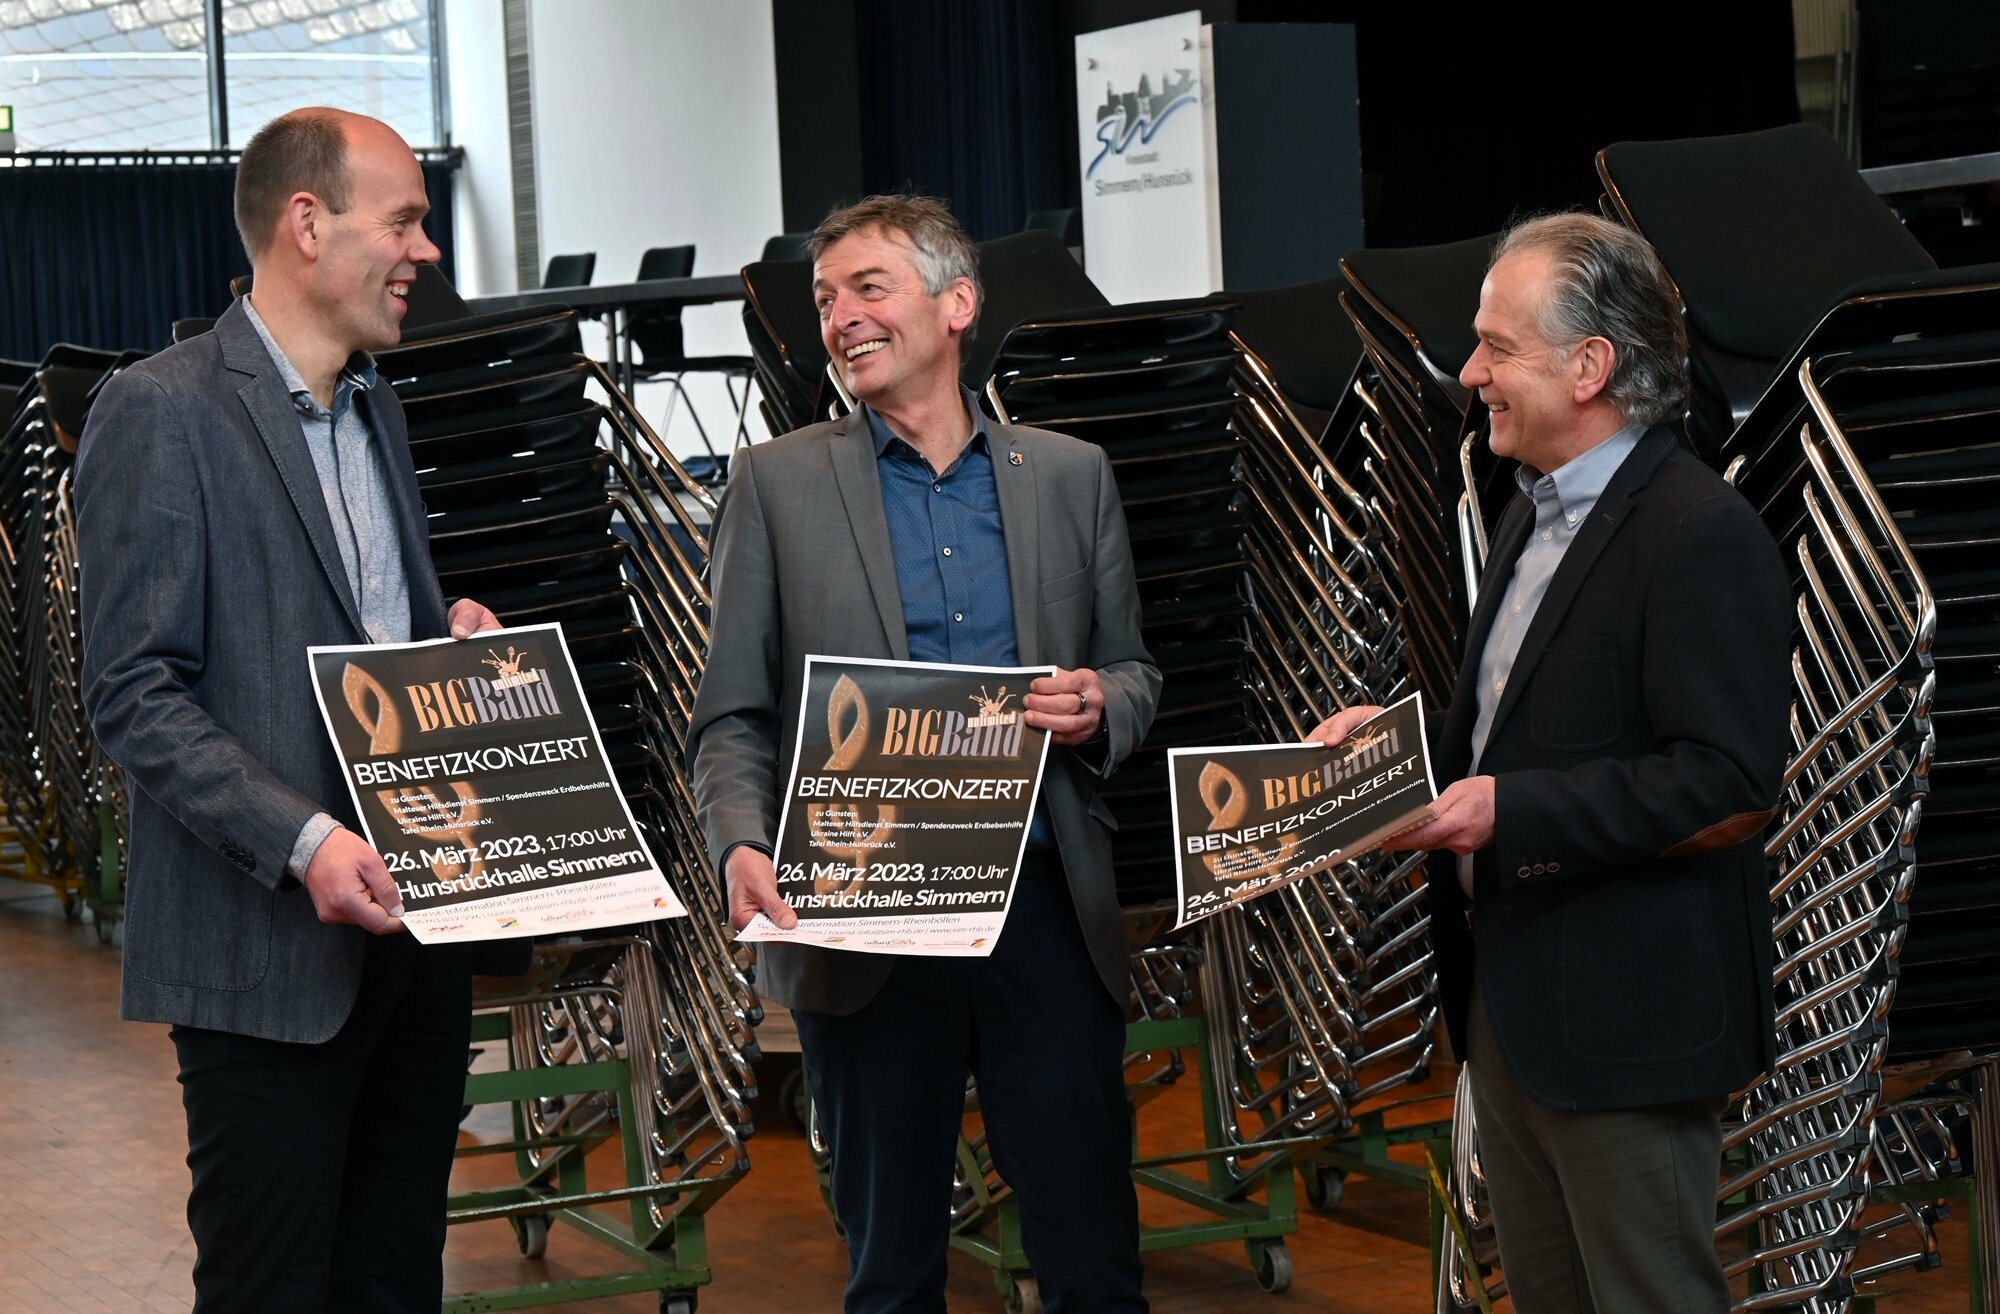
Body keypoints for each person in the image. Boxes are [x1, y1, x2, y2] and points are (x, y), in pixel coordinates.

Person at [1312, 213, 1790, 1313]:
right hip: (1511, 1010)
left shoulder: (1696, 531)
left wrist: (1506, 813)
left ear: (1589, 367)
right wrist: (1393, 744)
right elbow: (1517, 726)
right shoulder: (1532, 514)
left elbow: (1727, 785)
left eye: (1496, 348)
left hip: (1626, 1025)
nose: (1470, 374)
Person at [690, 195, 1158, 1313]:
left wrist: (1102, 703)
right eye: (824, 300)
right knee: (891, 1272)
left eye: (868, 289)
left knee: (1093, 1263)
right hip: (862, 916)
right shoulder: (773, 485)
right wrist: (740, 844)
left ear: (956, 305)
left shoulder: (1070, 473)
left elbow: (1134, 669)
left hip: (1042, 905)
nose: (840, 318)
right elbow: (730, 715)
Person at [76, 107, 502, 1312]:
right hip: (264, 956)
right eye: (404, 221)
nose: (425, 251)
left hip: (413, 945)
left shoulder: (379, 409)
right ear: (307, 225)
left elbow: (355, 640)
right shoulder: (161, 410)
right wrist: (307, 842)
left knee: (395, 1283)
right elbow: (133, 690)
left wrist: (445, 644)